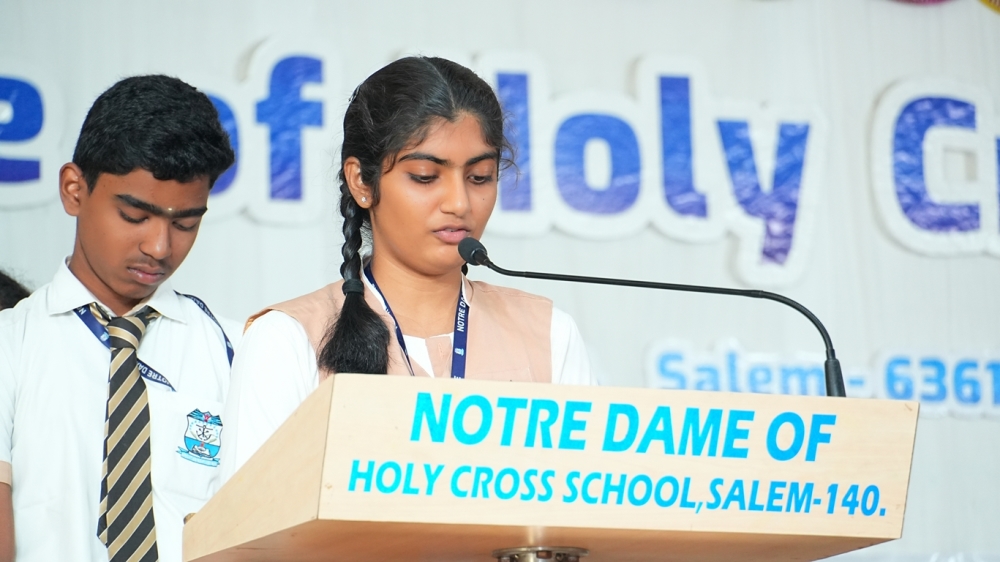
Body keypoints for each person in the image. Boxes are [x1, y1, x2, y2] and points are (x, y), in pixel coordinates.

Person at [222, 56, 596, 478]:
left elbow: (590, 505)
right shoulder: (287, 340)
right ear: (362, 182)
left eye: (479, 177)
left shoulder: (548, 333)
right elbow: (247, 518)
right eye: (424, 176)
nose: (459, 203)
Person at [0, 75, 237, 562]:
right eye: (135, 216)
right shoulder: (9, 349)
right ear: (74, 189)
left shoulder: (235, 351)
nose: (159, 246)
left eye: (185, 223)